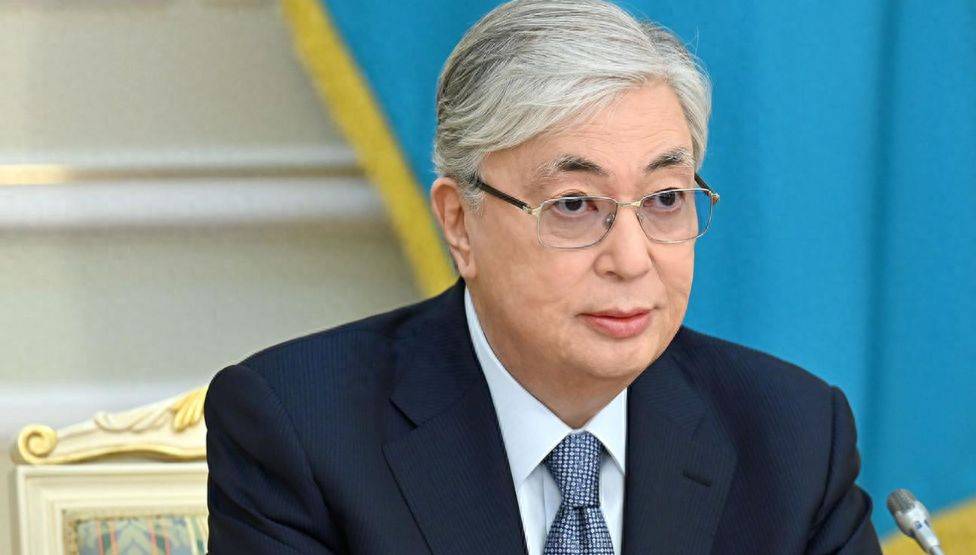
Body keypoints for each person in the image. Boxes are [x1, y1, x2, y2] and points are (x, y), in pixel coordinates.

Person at [204, 0, 882, 553]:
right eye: (574, 206)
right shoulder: (302, 429)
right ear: (459, 223)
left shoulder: (793, 438)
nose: (631, 259)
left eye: (665, 198)